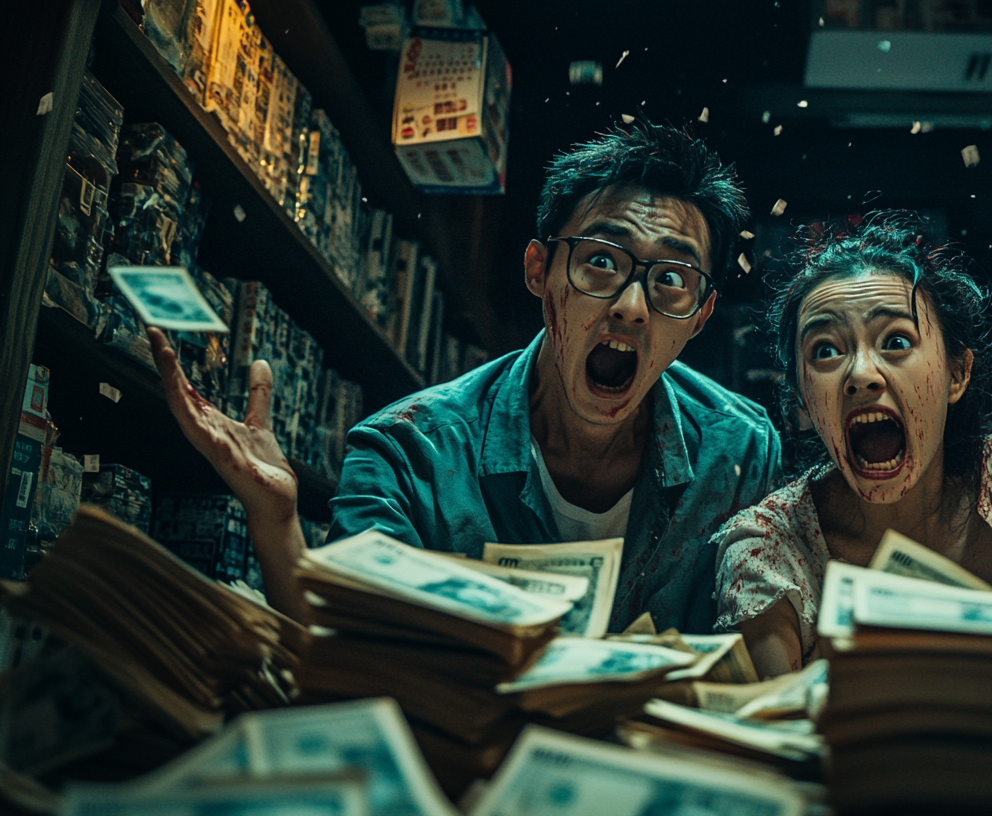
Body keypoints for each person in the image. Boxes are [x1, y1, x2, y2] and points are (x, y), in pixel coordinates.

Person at [149, 123, 779, 632]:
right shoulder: (407, 452)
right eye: (601, 261)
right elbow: (342, 647)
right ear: (539, 271)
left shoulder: (742, 453)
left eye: (672, 279)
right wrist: (275, 521)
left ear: (701, 317)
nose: (632, 307)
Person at [712, 213, 992, 678]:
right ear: (803, 398)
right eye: (824, 350)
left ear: (957, 374)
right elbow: (776, 730)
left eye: (896, 340)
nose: (860, 374)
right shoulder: (766, 548)